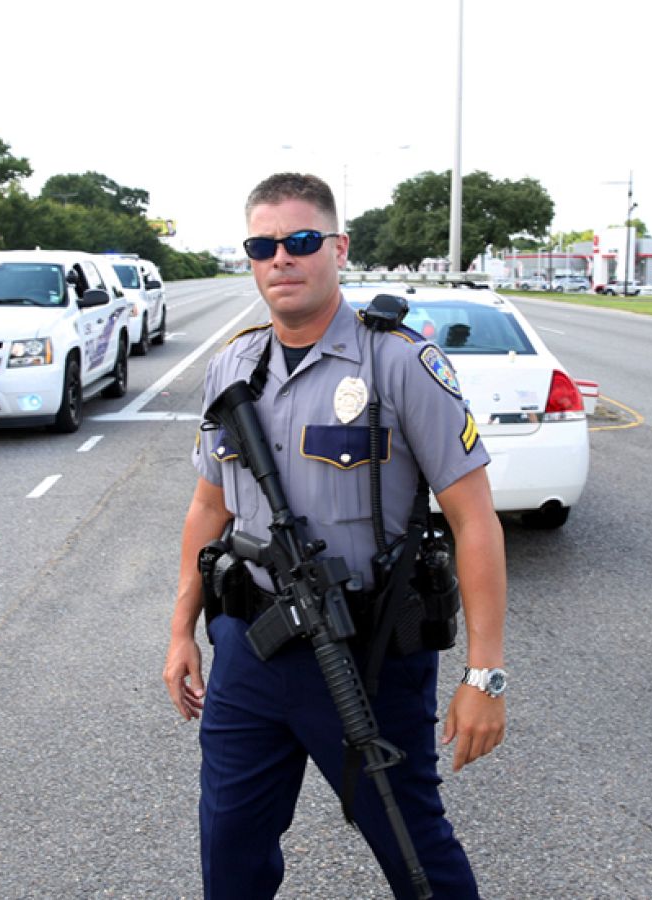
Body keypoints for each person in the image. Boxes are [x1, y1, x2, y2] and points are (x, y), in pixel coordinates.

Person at [163, 172, 508, 898]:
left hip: (367, 658)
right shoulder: (234, 366)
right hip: (250, 654)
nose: (281, 258)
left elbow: (475, 519)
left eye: (300, 240)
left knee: (415, 855)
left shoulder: (400, 363)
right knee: (229, 852)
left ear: (338, 247)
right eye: (264, 244)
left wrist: (485, 675)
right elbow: (208, 508)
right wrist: (179, 633)